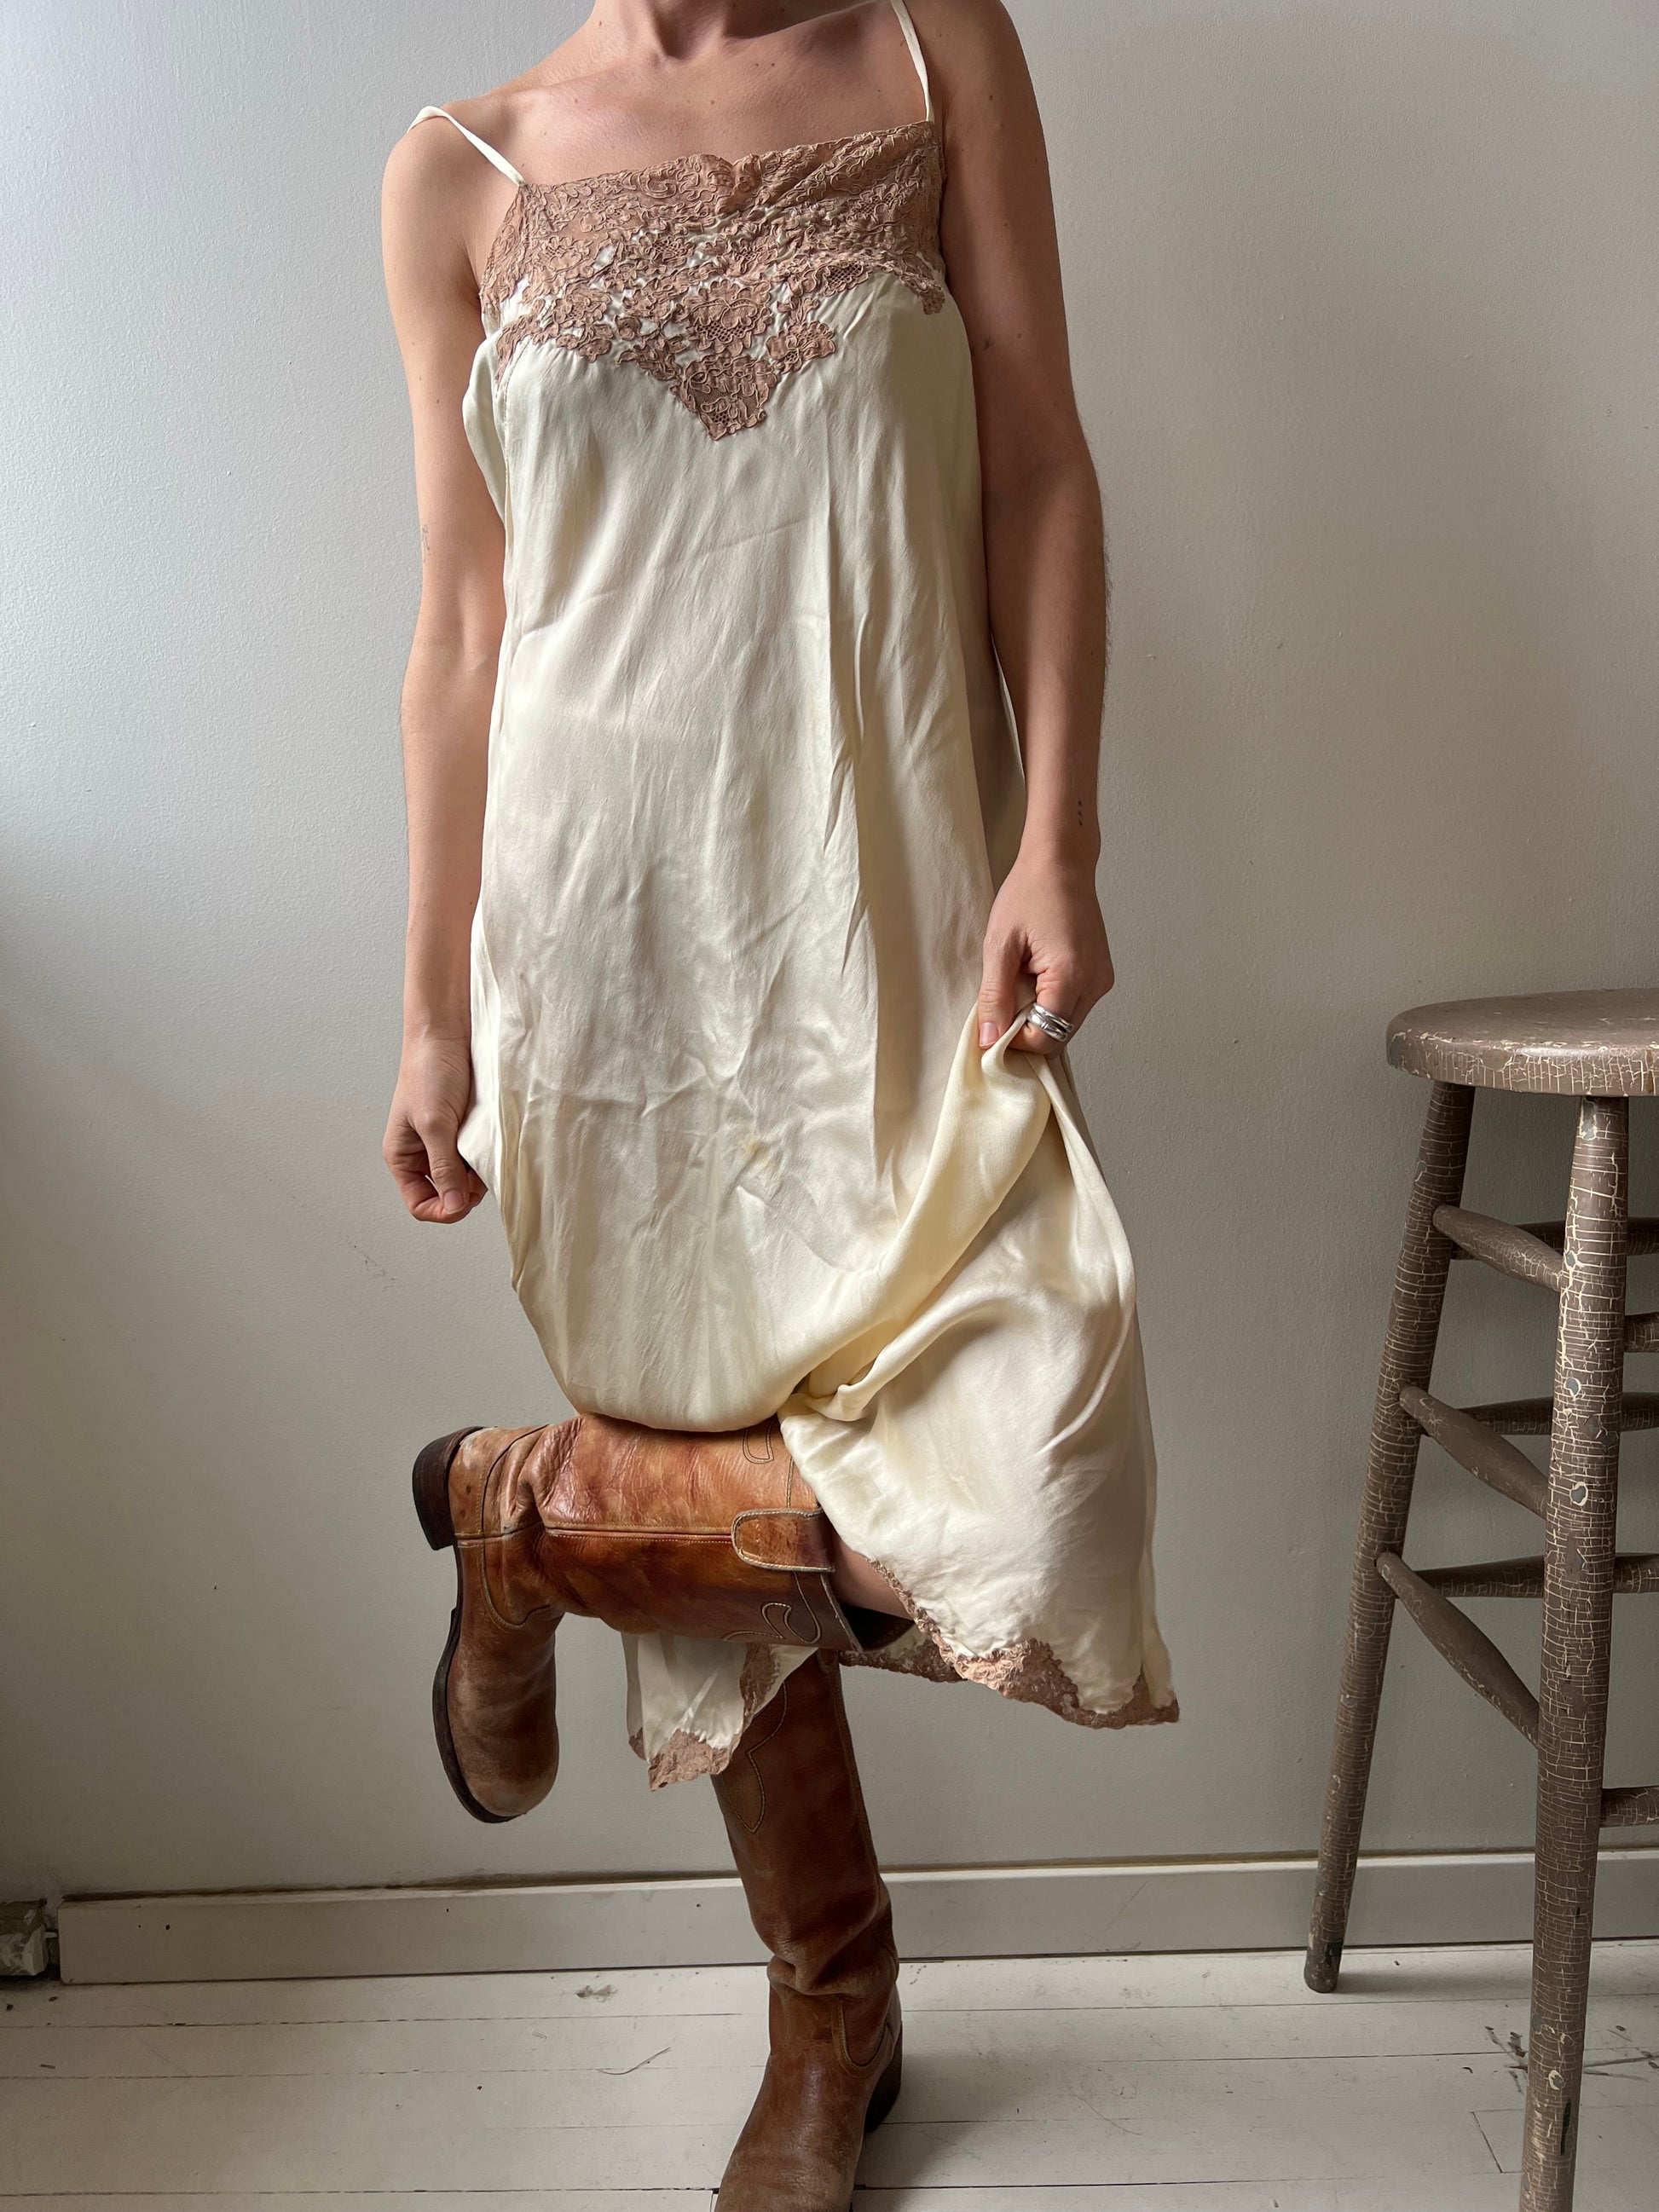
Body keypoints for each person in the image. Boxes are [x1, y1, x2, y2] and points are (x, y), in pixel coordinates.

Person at [380, 4, 1176, 2202]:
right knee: (715, 1426)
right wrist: (433, 1013)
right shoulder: (461, 166)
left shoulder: (933, 50)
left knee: (1039, 1467)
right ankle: (833, 2004)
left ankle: (525, 1525)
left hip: (894, 894)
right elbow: (463, 626)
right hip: (606, 939)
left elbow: (1039, 464)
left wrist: (1060, 841)